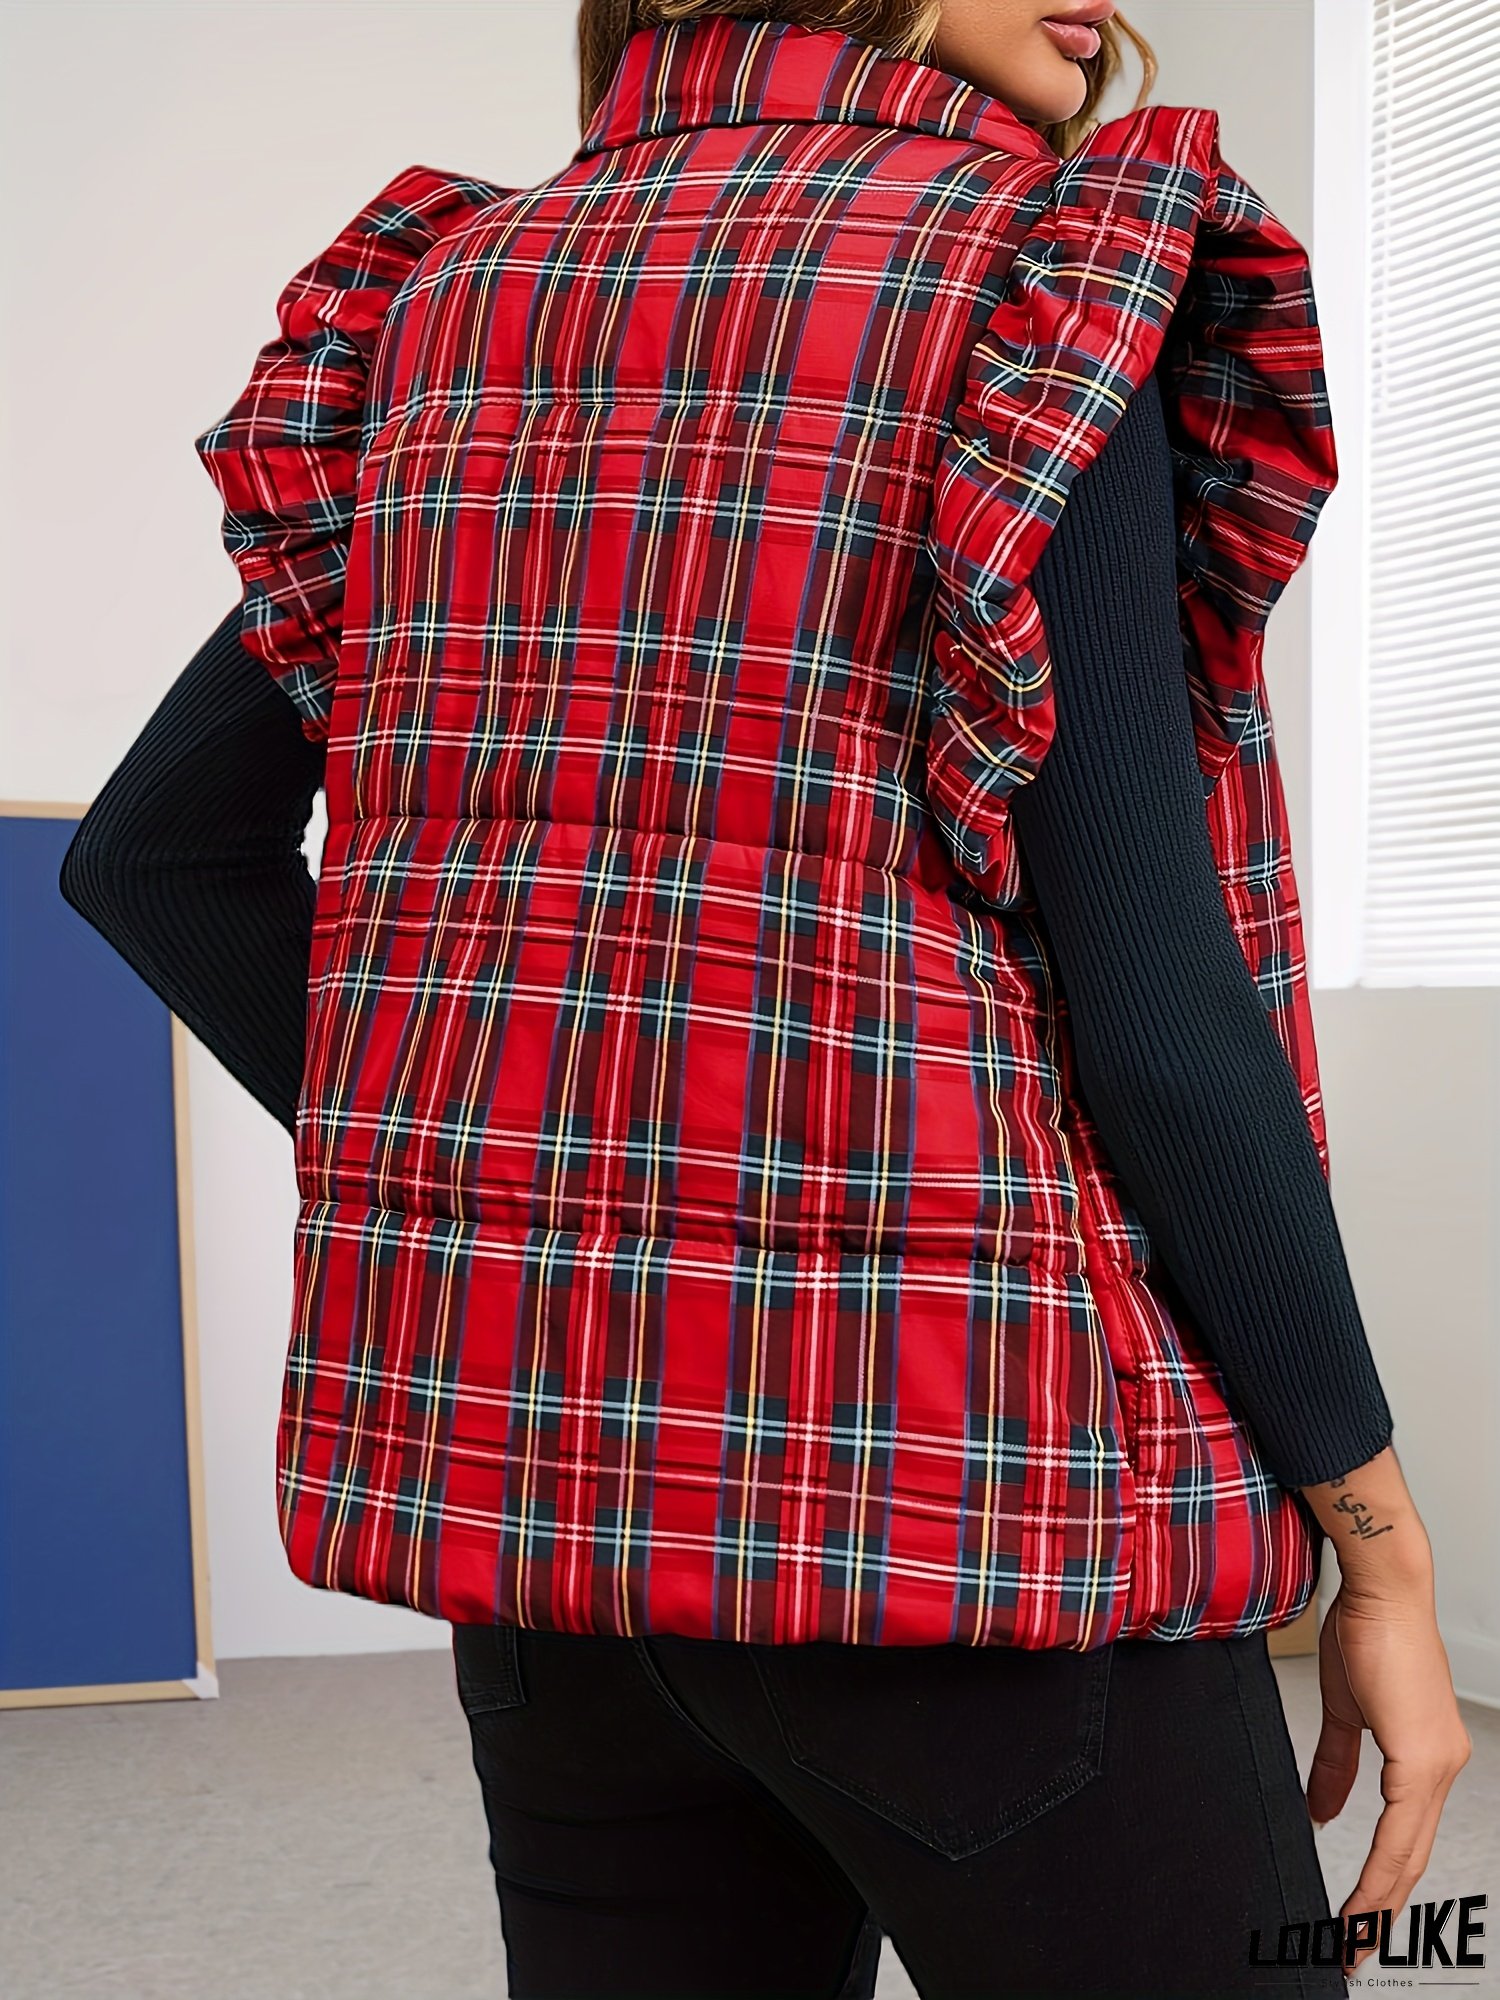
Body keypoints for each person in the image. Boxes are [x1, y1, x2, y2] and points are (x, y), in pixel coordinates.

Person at [61, 2, 1471, 1993]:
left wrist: (518, 1181)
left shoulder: (445, 304)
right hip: (980, 1511)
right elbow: (1158, 1000)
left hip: (560, 1535)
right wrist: (1382, 1541)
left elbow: (152, 857)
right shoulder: (1028, 281)